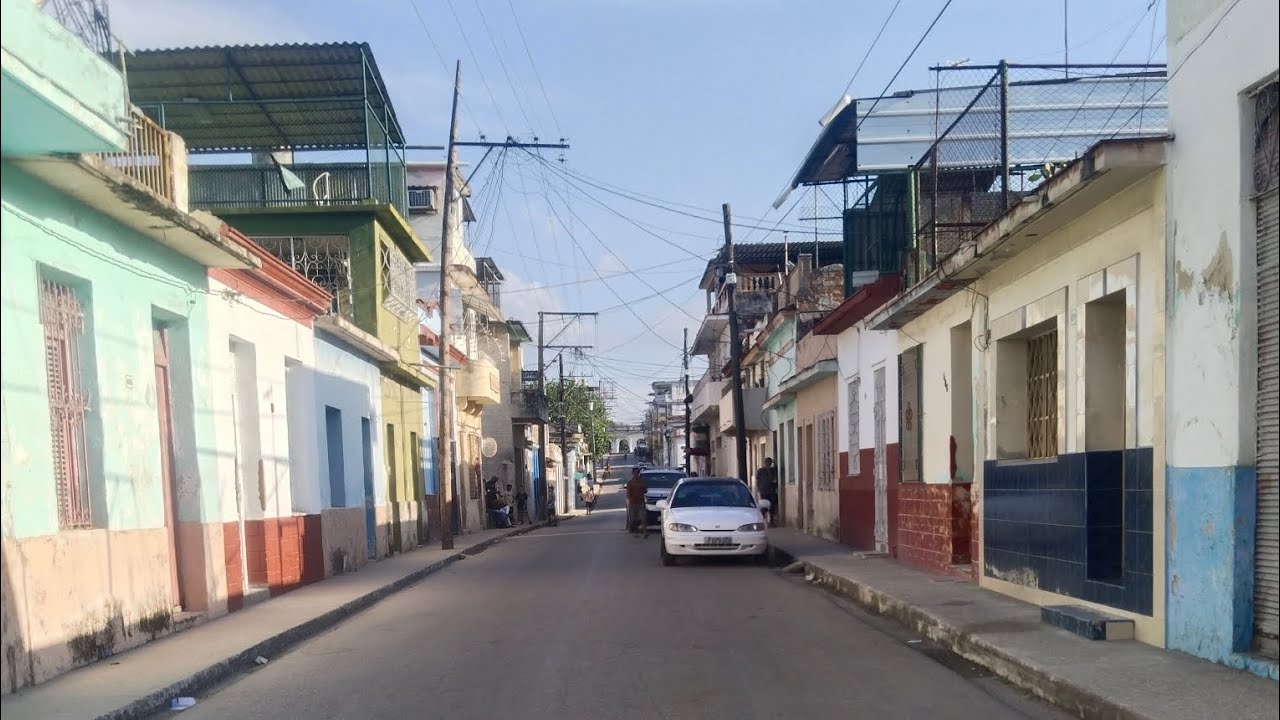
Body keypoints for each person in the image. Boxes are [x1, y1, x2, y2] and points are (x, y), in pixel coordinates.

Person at [624, 467, 648, 537]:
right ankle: (636, 532)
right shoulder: (630, 483)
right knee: (634, 518)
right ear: (633, 473)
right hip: (633, 502)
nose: (636, 474)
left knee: (643, 517)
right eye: (635, 473)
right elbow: (628, 494)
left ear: (638, 473)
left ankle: (644, 532)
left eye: (637, 473)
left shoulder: (641, 482)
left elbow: (645, 490)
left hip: (640, 502)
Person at [755, 458, 779, 527]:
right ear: (765, 463)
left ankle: (771, 521)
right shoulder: (760, 471)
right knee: (764, 506)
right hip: (764, 491)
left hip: (771, 491)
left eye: (769, 463)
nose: (768, 464)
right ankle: (762, 521)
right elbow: (757, 480)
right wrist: (759, 489)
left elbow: (775, 478)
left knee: (772, 507)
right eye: (767, 463)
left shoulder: (772, 470)